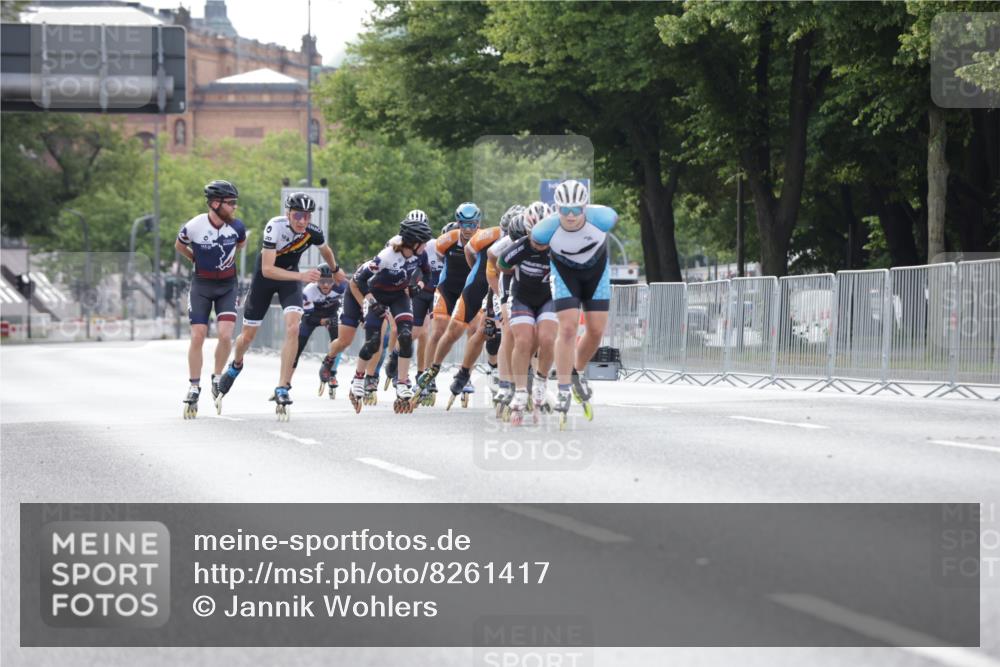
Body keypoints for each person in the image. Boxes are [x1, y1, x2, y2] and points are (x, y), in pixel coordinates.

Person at [215, 192, 345, 419]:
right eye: (297, 216)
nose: (302, 221)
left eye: (306, 216)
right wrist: (302, 276)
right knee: (247, 337)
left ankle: (283, 386)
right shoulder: (274, 227)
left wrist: (335, 270)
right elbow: (268, 269)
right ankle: (236, 365)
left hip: (291, 281)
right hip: (265, 280)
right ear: (288, 214)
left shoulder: (312, 232)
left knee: (294, 327)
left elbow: (326, 250)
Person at [322, 217, 435, 413]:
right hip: (375, 294)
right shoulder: (387, 256)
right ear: (413, 242)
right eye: (423, 242)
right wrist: (372, 303)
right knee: (374, 341)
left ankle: (401, 383)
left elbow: (427, 274)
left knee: (406, 336)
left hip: (398, 295)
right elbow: (358, 280)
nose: (425, 246)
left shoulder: (420, 254)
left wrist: (419, 286)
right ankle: (358, 378)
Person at [530, 180, 617, 424]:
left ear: (585, 207)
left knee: (596, 331)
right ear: (556, 208)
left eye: (576, 210)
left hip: (596, 273)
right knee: (567, 328)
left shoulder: (603, 219)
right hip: (565, 274)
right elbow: (532, 243)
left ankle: (577, 371)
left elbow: (610, 215)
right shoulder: (544, 230)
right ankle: (564, 387)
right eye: (564, 210)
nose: (570, 216)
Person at [177, 179, 247, 419]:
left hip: (227, 285)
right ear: (215, 204)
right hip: (202, 285)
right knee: (197, 335)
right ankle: (194, 386)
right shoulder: (195, 225)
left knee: (226, 334)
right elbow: (179, 245)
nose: (234, 207)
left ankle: (217, 377)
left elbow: (241, 245)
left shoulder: (237, 227)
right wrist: (194, 259)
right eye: (230, 203)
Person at [496, 211, 557, 424]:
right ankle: (519, 390)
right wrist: (503, 300)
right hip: (521, 297)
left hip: (547, 297)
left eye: (544, 240)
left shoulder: (560, 246)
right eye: (535, 240)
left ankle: (541, 380)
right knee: (522, 340)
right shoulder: (518, 247)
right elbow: (501, 266)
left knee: (547, 339)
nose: (540, 245)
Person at [291, 263, 347, 398]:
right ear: (316, 281)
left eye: (329, 281)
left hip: (332, 314)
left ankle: (331, 373)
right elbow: (308, 318)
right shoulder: (308, 292)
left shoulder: (341, 287)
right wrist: (323, 321)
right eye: (322, 281)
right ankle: (286, 381)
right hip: (312, 316)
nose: (326, 285)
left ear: (335, 280)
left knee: (338, 343)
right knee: (297, 349)